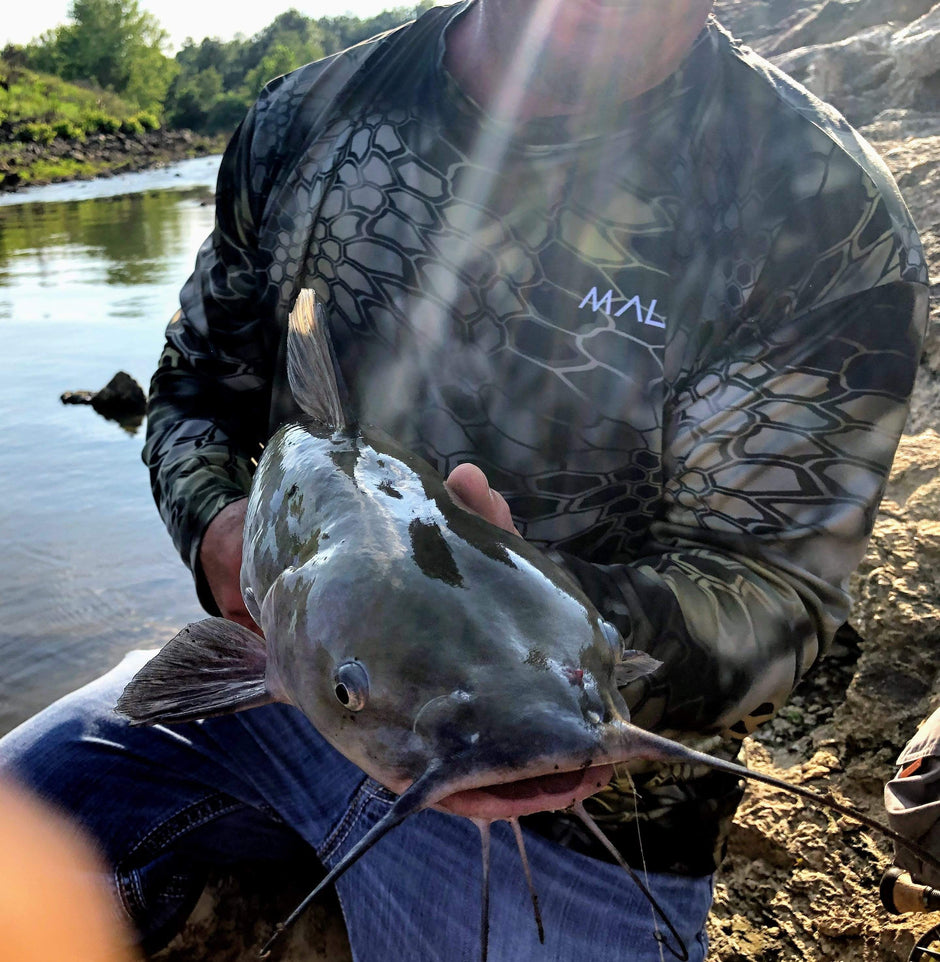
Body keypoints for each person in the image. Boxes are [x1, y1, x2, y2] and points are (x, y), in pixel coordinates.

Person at [0, 0, 929, 958]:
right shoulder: (301, 119)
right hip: (294, 689)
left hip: (591, 811)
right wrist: (220, 534)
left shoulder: (820, 213)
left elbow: (777, 588)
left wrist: (566, 645)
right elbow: (193, 390)